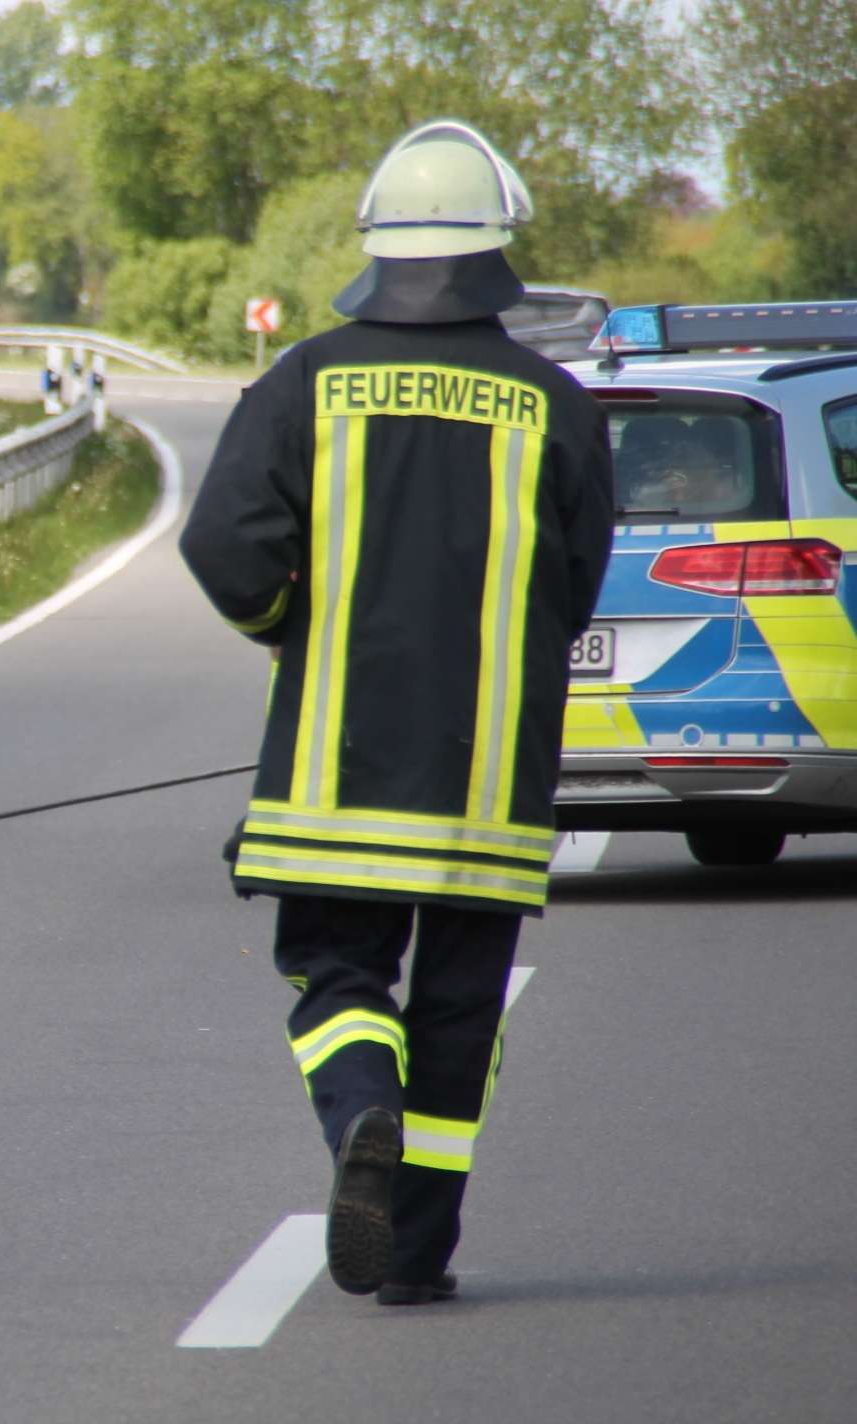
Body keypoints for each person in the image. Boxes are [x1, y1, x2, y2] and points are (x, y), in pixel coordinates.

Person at [178, 121, 616, 1305]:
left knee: (334, 970)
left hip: (333, 774)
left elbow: (223, 546)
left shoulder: (301, 382)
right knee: (463, 1014)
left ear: (377, 242)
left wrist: (288, 627)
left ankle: (362, 1098)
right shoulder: (555, 404)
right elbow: (576, 589)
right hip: (490, 789)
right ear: (495, 247)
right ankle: (417, 1255)